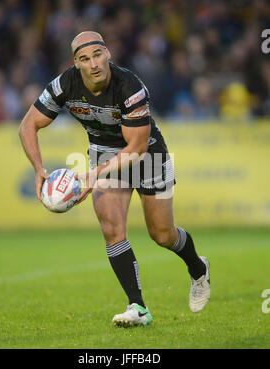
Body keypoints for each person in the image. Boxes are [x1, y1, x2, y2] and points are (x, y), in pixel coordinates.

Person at [19, 31, 211, 327]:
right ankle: (139, 307)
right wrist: (38, 168)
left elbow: (136, 148)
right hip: (104, 153)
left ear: (107, 53)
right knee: (111, 226)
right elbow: (28, 125)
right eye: (85, 58)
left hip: (148, 155)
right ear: (76, 63)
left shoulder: (130, 86)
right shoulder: (63, 85)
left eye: (97, 55)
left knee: (162, 234)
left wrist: (91, 176)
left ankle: (198, 268)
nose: (93, 63)